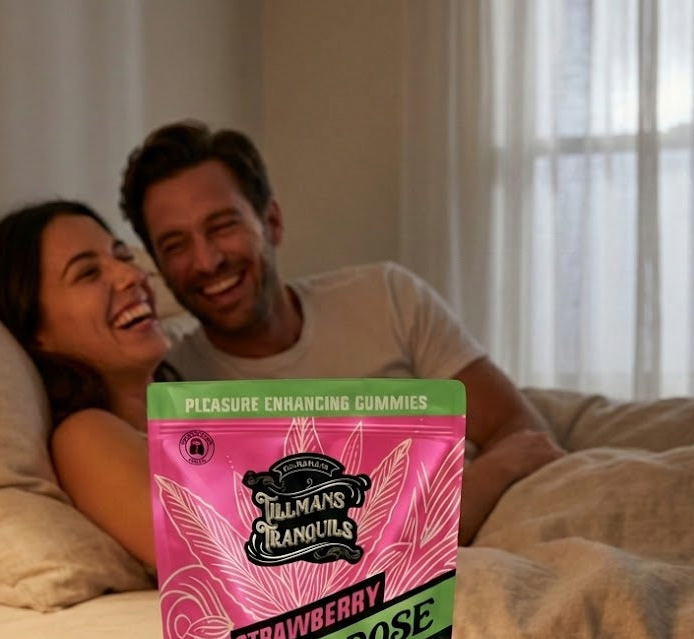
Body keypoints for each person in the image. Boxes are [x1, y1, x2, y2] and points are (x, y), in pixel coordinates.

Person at [119, 120, 566, 544]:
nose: (206, 260)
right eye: (176, 245)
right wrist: (491, 474)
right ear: (157, 267)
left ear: (271, 223)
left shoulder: (387, 296)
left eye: (223, 226)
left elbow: (521, 431)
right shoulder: (173, 385)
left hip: (510, 530)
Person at [0, 200, 173, 568]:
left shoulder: (188, 411)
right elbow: (220, 557)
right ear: (36, 333)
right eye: (88, 273)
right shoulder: (85, 437)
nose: (132, 276)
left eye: (122, 256)